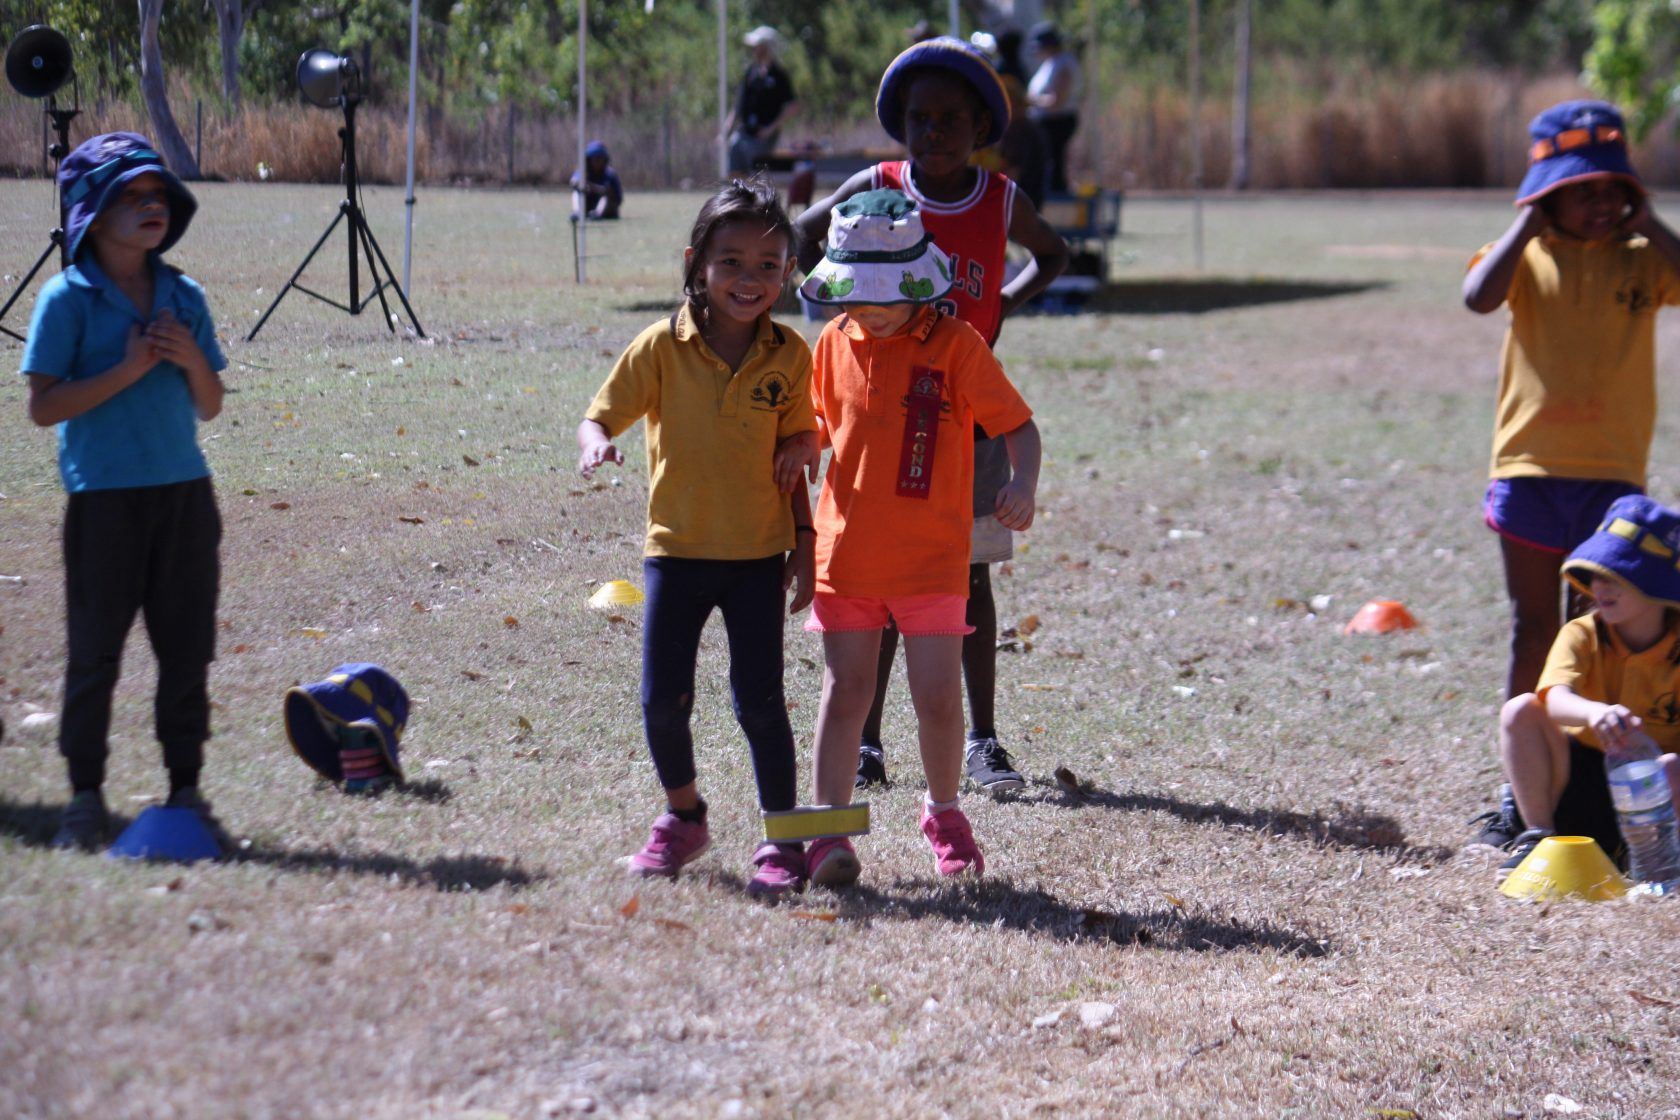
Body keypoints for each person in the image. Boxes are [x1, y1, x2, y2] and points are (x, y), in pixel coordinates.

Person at [794, 36, 1067, 797]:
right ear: (901, 124)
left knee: (965, 578)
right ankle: (868, 743)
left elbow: (1056, 252)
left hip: (963, 421)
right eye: (920, 118)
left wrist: (1004, 304)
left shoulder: (999, 199)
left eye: (951, 118)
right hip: (876, 416)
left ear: (981, 126)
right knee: (874, 580)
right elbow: (801, 229)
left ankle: (981, 740)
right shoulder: (877, 185)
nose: (934, 132)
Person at [577, 176, 819, 898]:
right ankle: (684, 817)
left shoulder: (790, 354)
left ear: (788, 274)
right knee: (661, 699)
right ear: (697, 264)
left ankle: (784, 839)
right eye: (732, 262)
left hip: (756, 559)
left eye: (769, 265)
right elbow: (599, 416)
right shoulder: (660, 347)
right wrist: (593, 444)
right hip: (676, 554)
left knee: (761, 702)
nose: (750, 279)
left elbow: (805, 439)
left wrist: (804, 529)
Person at [797, 188, 1042, 885]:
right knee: (846, 692)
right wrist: (789, 451)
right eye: (854, 292)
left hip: (935, 559)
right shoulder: (831, 342)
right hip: (845, 556)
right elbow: (819, 428)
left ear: (920, 281)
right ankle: (828, 831)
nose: (867, 307)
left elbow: (1019, 426)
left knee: (938, 699)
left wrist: (1022, 484)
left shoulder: (956, 346)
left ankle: (943, 812)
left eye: (883, 294)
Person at [20, 133, 230, 853]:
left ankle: (185, 786)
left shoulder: (185, 295)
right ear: (90, 214)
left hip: (183, 497)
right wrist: (132, 366)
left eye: (158, 196)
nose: (152, 208)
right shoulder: (65, 299)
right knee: (95, 652)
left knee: (185, 648)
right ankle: (84, 794)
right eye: (131, 197)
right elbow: (43, 407)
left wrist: (190, 358)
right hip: (105, 501)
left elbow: (210, 405)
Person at [1463, 101, 1680, 706]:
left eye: (1615, 188)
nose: (1602, 202)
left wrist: (1652, 223)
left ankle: (1582, 770)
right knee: (1533, 629)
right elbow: (1478, 298)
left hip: (1610, 476)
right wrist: (1526, 226)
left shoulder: (1643, 259)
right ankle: (1521, 774)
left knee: (1594, 632)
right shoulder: (1524, 259)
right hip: (1529, 470)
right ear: (1546, 196)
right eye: (1582, 189)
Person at [1487, 495, 1680, 877]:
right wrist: (1596, 713)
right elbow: (1555, 698)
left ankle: (1658, 860)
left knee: (1672, 767)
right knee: (1520, 709)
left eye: (1617, 574)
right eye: (1595, 573)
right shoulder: (1582, 633)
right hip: (1579, 782)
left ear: (1658, 586)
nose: (1599, 586)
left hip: (1654, 794)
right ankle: (1538, 837)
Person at [725, 27, 798, 176]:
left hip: (760, 139)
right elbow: (739, 104)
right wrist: (727, 128)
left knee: (757, 181)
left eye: (757, 47)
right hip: (742, 134)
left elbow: (793, 106)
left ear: (767, 47)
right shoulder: (750, 73)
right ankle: (738, 200)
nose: (754, 50)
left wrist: (770, 128)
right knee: (736, 179)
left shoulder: (778, 76)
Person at [1026, 21, 1081, 193]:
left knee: (1054, 163)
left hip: (1057, 121)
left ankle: (1057, 195)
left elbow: (1057, 100)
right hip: (1046, 121)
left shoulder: (1064, 63)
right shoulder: (1051, 63)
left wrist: (1030, 101)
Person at [569, 140, 623, 221]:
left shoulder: (610, 174)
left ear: (604, 160)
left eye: (599, 159)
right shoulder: (583, 172)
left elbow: (618, 199)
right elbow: (573, 182)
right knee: (576, 192)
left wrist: (593, 187)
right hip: (588, 206)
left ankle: (597, 214)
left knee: (605, 197)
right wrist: (580, 184)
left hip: (607, 209)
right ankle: (577, 213)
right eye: (594, 159)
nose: (596, 162)